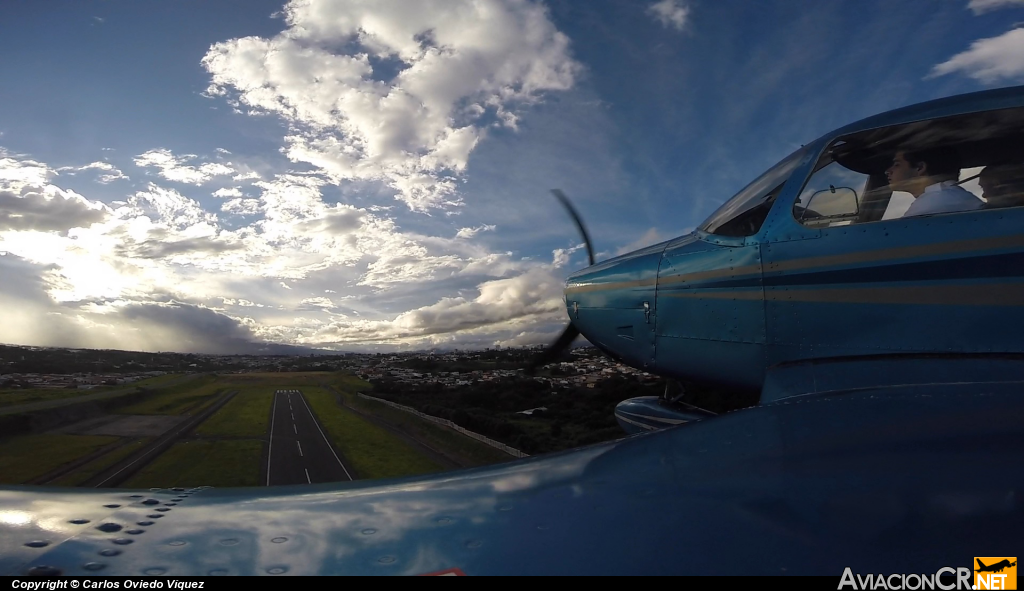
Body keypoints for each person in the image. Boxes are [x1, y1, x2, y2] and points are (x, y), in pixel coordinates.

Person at [885, 146, 983, 217]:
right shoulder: (950, 196)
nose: (888, 171)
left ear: (920, 168)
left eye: (897, 164)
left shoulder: (931, 206)